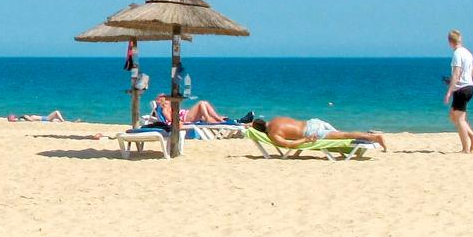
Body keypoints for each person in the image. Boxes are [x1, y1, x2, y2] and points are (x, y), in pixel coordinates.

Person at [254, 114, 387, 149]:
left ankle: (374, 137)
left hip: (311, 131)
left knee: (344, 135)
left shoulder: (273, 133)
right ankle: (368, 135)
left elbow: (290, 145)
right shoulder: (277, 119)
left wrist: (306, 140)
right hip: (313, 122)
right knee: (342, 135)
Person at [444, 29, 473, 153]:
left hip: (462, 89)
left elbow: (457, 73)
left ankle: (466, 148)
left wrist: (449, 92)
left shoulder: (457, 54)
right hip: (469, 87)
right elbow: (472, 72)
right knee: (453, 115)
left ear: (450, 42)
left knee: (460, 119)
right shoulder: (468, 53)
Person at [149, 93, 228, 126]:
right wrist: (182, 122)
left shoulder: (169, 107)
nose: (169, 100)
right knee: (201, 103)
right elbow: (171, 120)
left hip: (187, 115)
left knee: (205, 103)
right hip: (186, 117)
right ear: (163, 102)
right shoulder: (165, 110)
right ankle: (211, 118)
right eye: (166, 99)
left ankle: (218, 118)